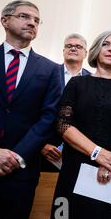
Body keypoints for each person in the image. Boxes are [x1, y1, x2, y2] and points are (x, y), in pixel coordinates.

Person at [0, 0, 61, 219]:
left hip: (20, 170)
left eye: (37, 20)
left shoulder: (50, 69)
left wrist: (16, 157)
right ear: (4, 20)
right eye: (24, 16)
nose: (32, 22)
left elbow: (49, 118)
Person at [52, 30, 111, 219]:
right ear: (96, 50)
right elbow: (63, 125)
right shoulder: (77, 83)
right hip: (77, 168)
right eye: (106, 44)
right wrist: (99, 154)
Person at [41, 33, 91, 172]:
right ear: (63, 51)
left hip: (79, 150)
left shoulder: (92, 80)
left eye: (78, 46)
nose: (73, 48)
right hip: (46, 148)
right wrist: (41, 145)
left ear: (85, 53)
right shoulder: (48, 74)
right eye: (69, 46)